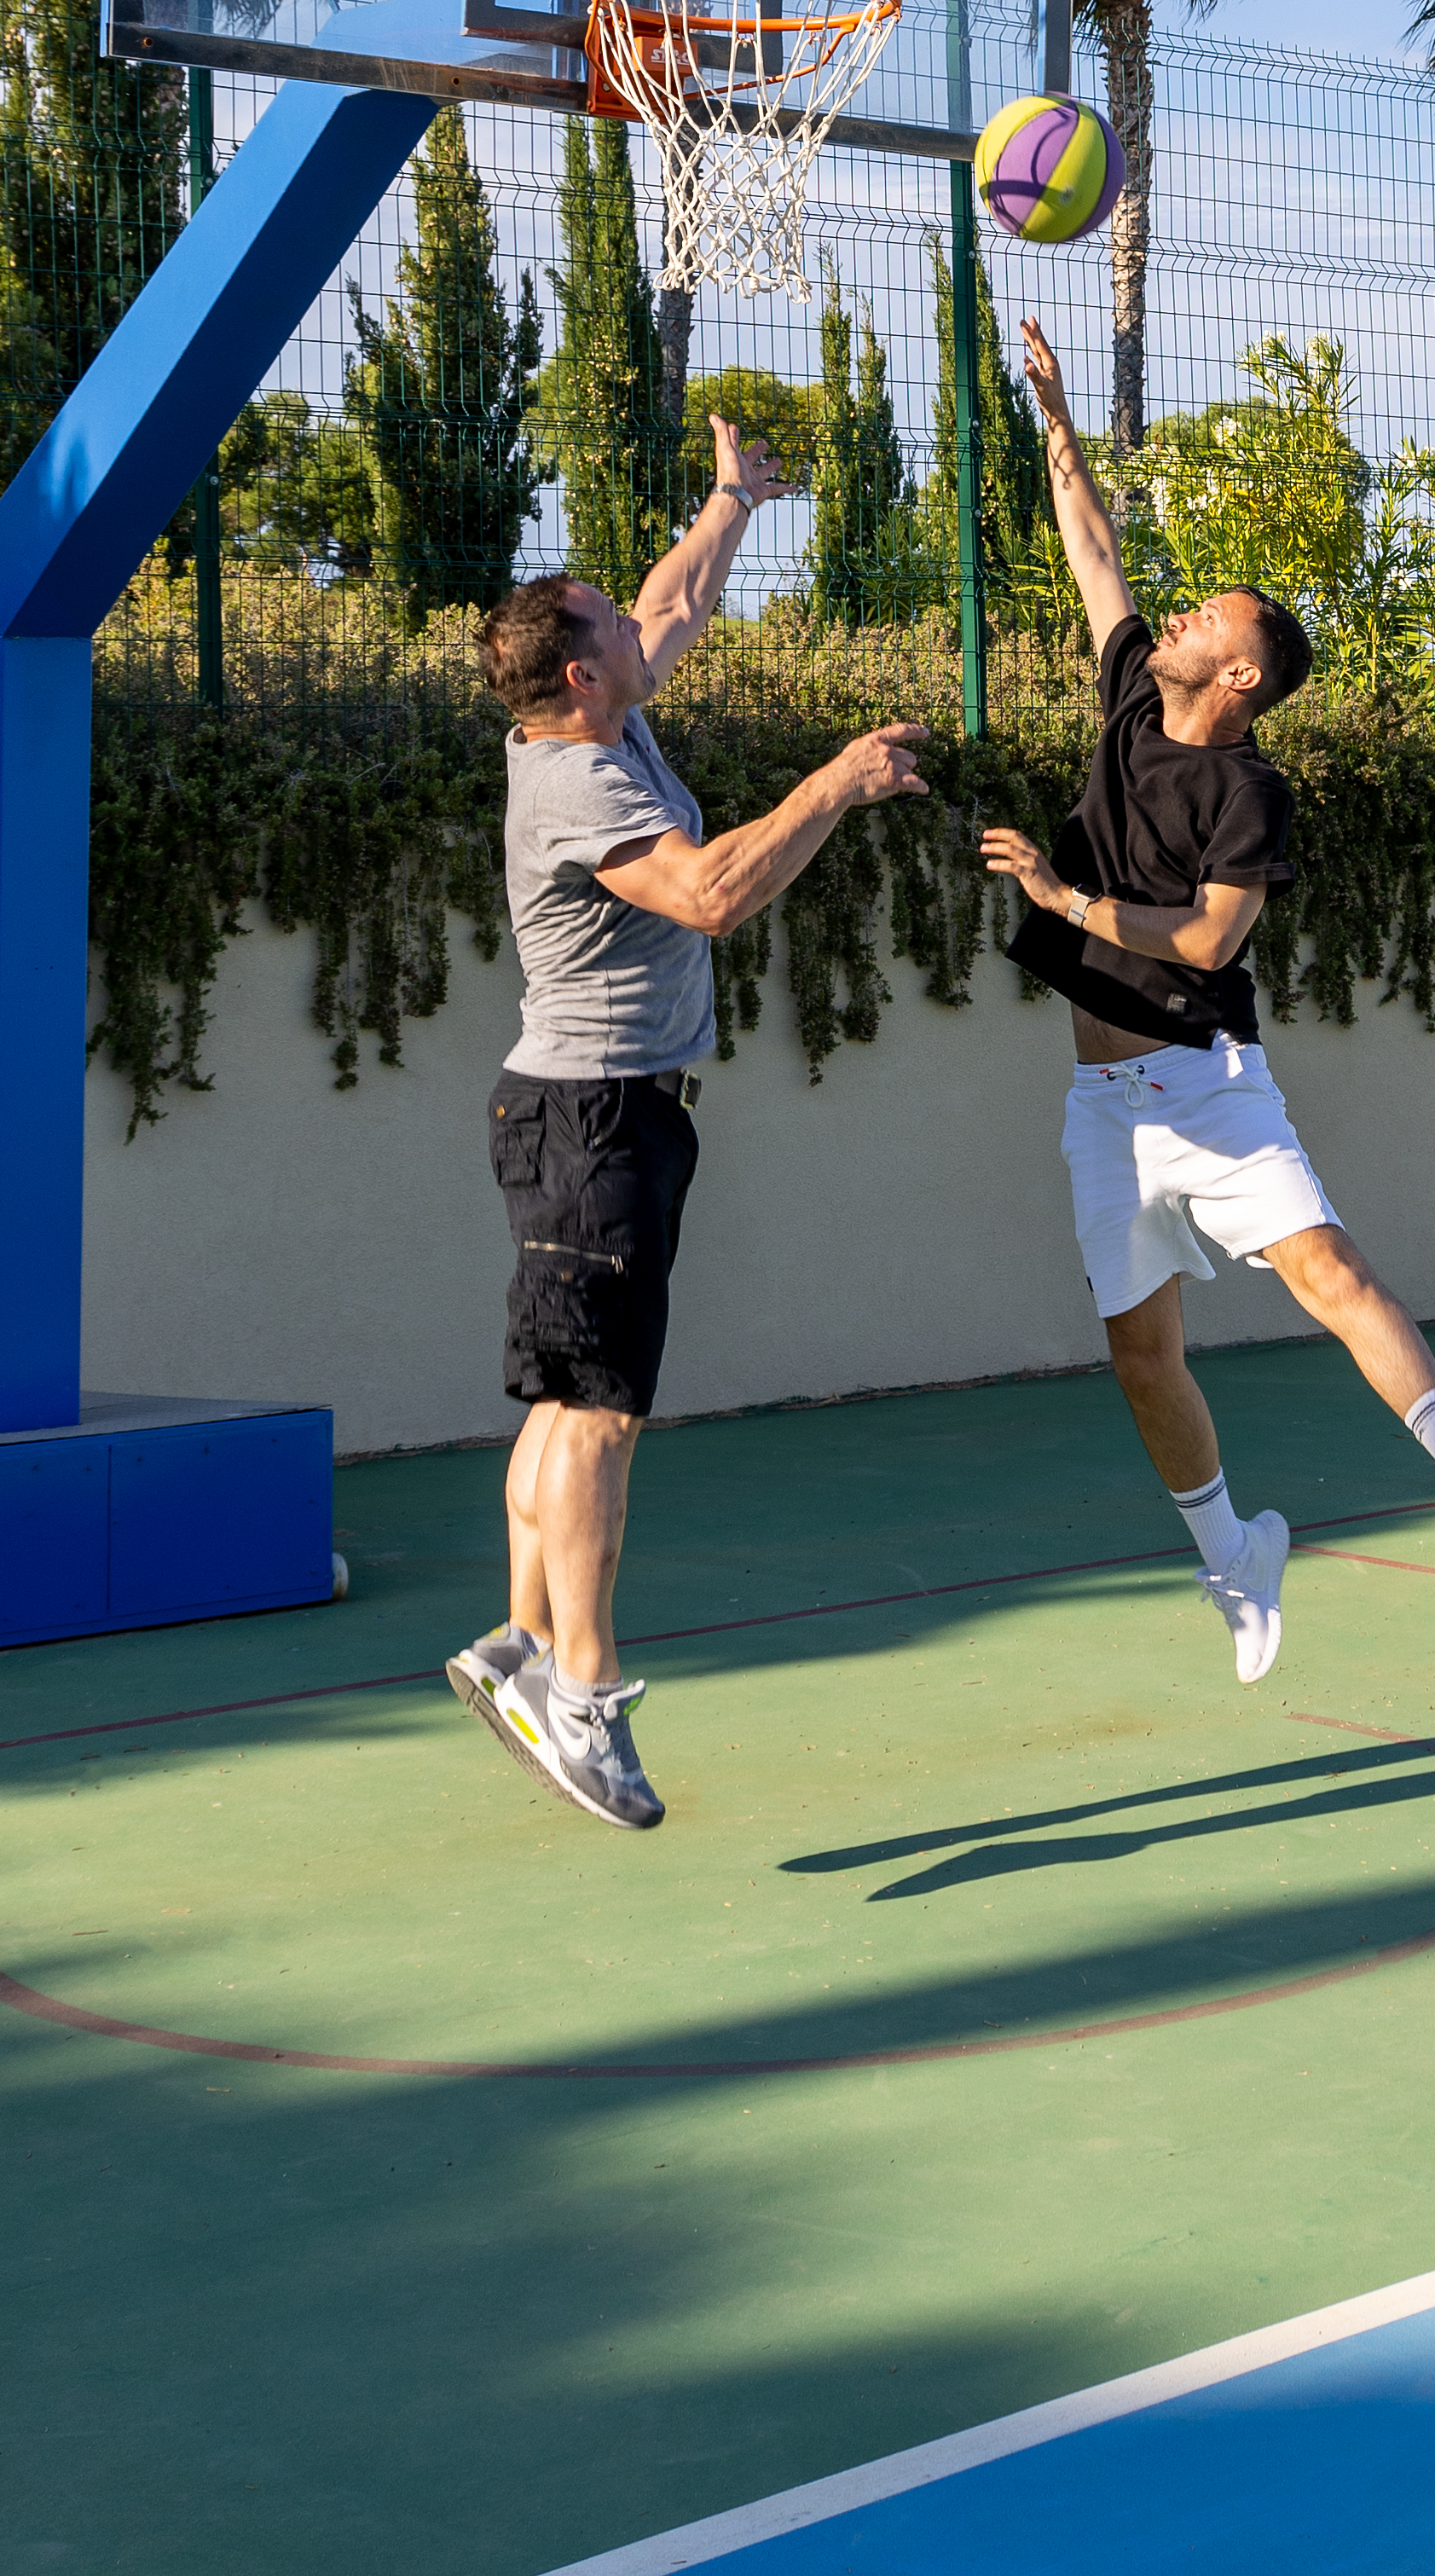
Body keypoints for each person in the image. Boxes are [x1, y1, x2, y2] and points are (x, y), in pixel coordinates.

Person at [978, 321, 1435, 1684]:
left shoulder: (1248, 791)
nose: (1177, 617)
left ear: (1240, 676)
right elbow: (1089, 540)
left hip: (1205, 1082)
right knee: (1140, 1355)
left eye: (1208, 620)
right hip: (1101, 1106)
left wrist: (1063, 904)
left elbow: (1208, 936)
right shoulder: (1127, 693)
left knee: (1325, 1267)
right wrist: (1051, 412)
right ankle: (1235, 1553)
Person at [448, 419, 928, 1829]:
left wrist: (730, 499)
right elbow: (713, 892)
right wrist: (836, 782)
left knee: (562, 1400)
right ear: (580, 674)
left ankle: (520, 1640)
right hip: (595, 1119)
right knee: (601, 1415)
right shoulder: (585, 781)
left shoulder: (598, 709)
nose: (644, 627)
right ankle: (583, 1701)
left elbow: (668, 601)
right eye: (612, 626)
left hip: (575, 1111)